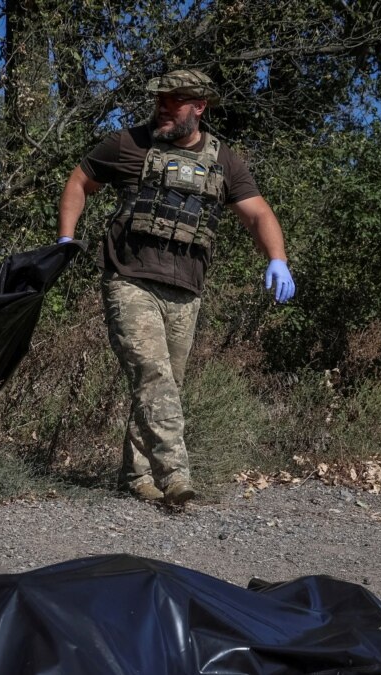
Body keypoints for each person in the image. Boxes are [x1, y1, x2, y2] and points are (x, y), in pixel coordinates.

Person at [56, 69, 295, 506]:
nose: (163, 108)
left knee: (164, 385)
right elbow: (79, 181)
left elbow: (258, 213)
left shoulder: (224, 161)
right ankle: (177, 480)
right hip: (128, 280)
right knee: (154, 375)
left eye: (174, 101)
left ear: (199, 107)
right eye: (159, 100)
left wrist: (277, 259)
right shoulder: (127, 144)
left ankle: (138, 476)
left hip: (186, 290)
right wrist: (66, 239)